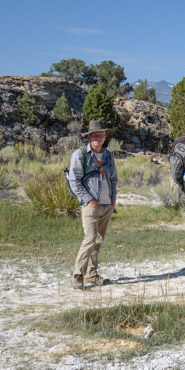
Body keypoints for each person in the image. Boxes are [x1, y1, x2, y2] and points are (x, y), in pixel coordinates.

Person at [68, 120, 117, 290]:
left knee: (98, 241)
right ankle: (77, 275)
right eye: (95, 135)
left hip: (106, 204)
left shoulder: (108, 155)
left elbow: (113, 178)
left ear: (105, 137)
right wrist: (88, 199)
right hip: (90, 206)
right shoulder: (80, 154)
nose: (98, 138)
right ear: (89, 137)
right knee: (90, 239)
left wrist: (113, 199)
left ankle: (92, 274)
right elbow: (73, 180)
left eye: (101, 135)